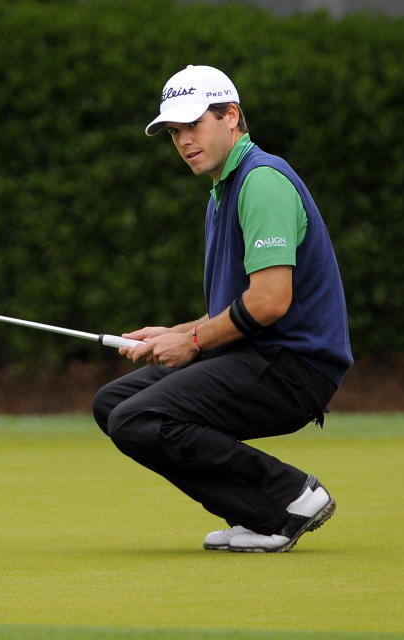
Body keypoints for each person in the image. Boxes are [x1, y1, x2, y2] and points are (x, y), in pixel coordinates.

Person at [92, 65, 353, 553]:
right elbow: (241, 305)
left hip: (294, 367)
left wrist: (190, 342)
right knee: (113, 405)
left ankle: (289, 496)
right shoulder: (223, 188)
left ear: (231, 116)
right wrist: (173, 332)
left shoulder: (262, 182)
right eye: (174, 132)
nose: (184, 141)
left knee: (137, 419)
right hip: (256, 355)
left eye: (194, 125)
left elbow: (271, 302)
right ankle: (258, 515)